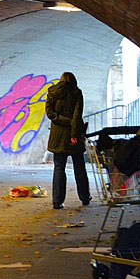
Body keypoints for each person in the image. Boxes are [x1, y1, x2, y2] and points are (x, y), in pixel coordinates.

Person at [45, 71, 91, 209]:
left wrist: (63, 120)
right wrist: (73, 133)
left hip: (57, 136)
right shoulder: (76, 93)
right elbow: (77, 116)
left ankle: (57, 201)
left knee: (59, 167)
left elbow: (50, 113)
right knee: (79, 167)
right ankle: (84, 197)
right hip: (74, 135)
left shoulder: (52, 92)